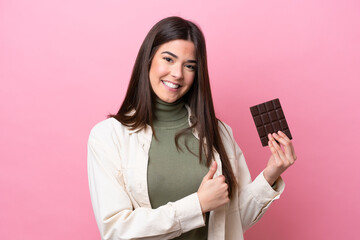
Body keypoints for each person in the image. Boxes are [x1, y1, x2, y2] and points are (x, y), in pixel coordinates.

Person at [87, 16, 297, 240]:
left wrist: (271, 175)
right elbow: (116, 231)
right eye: (168, 59)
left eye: (189, 66)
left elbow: (233, 223)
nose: (177, 73)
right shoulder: (107, 136)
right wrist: (197, 206)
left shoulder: (219, 132)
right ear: (148, 59)